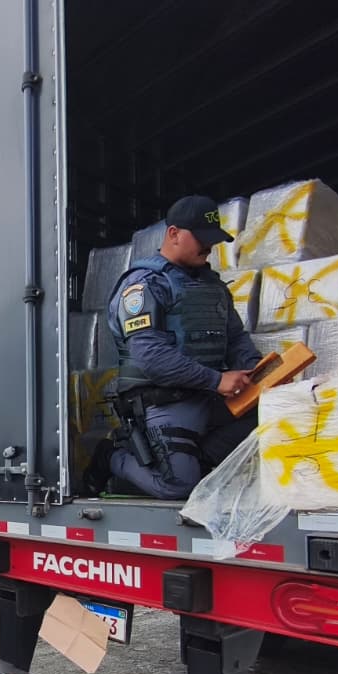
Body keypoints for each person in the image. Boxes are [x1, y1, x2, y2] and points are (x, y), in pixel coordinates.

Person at [83, 195, 263, 500]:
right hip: (165, 400)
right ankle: (112, 456)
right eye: (202, 239)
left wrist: (258, 370)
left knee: (273, 417)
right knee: (179, 486)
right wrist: (217, 380)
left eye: (214, 240)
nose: (209, 247)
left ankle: (194, 458)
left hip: (207, 397)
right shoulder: (144, 285)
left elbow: (235, 337)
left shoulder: (213, 287)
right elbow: (151, 357)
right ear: (173, 234)